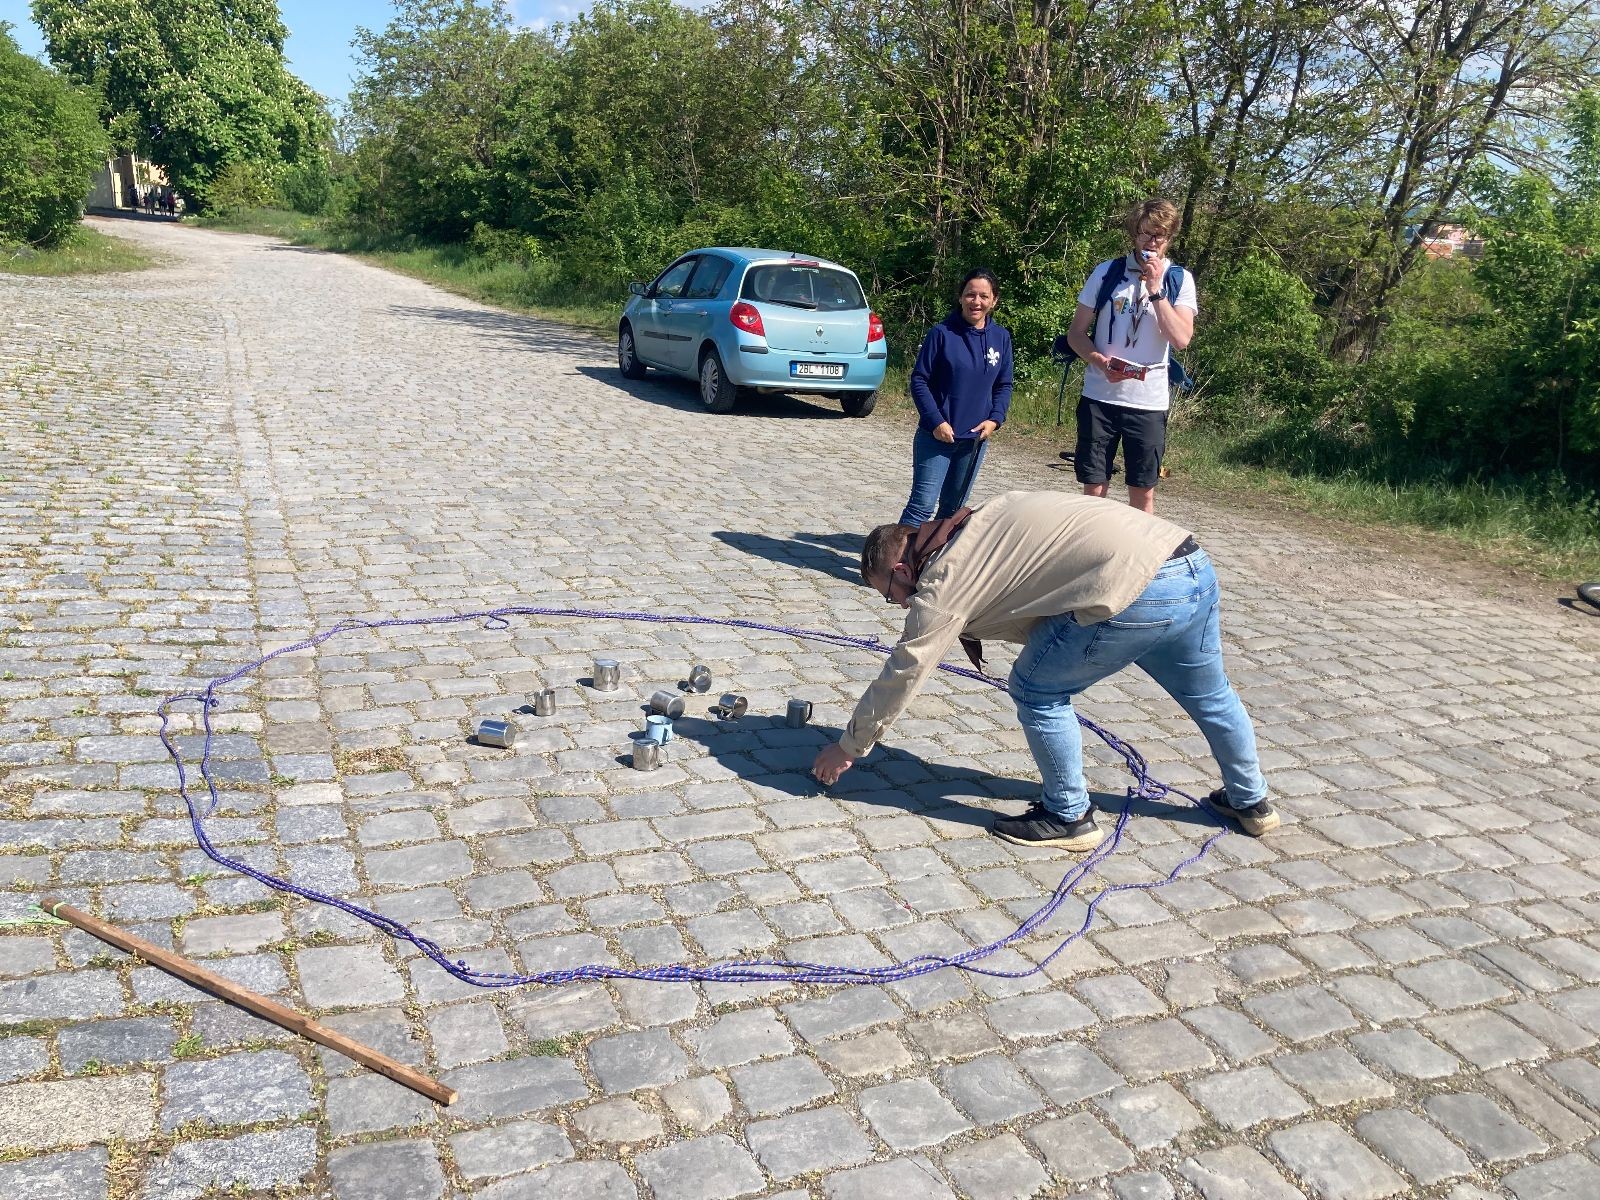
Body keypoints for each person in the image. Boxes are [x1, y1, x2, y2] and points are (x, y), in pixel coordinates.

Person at [810, 490, 1277, 850]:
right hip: (1189, 563)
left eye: (888, 594)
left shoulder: (945, 576)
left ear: (901, 569)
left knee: (1037, 689)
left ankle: (1069, 816)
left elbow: (907, 668)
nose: (897, 604)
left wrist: (849, 745)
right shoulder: (977, 524)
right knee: (1210, 695)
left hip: (1134, 590)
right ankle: (1251, 801)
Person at [1066, 199, 1197, 514]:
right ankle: (1090, 542)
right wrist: (1099, 361)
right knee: (1094, 489)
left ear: (1169, 237)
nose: (1151, 242)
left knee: (1143, 492)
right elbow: (1075, 334)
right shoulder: (1107, 272)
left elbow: (1181, 339)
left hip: (1147, 403)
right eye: (1145, 233)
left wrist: (1156, 291)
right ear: (1134, 234)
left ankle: (1138, 547)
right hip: (1100, 397)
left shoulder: (1179, 279)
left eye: (1159, 235)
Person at [900, 269, 1014, 528]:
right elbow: (919, 380)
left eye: (984, 296)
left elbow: (1004, 384)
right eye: (970, 295)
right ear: (961, 297)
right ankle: (897, 553)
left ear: (994, 301)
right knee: (921, 507)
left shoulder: (1001, 338)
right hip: (937, 438)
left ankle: (934, 554)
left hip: (973, 442)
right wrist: (936, 421)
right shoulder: (941, 334)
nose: (976, 302)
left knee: (952, 511)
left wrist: (995, 420)